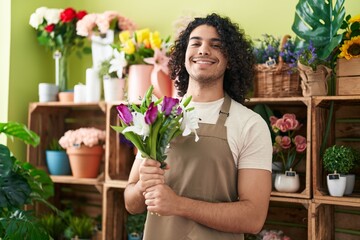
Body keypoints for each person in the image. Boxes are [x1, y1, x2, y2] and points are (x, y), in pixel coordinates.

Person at [124, 13, 272, 240]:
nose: (203, 50)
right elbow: (131, 203)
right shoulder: (158, 116)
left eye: (216, 45)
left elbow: (253, 218)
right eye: (196, 43)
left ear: (230, 58)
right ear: (184, 55)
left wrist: (178, 205)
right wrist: (143, 184)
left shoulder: (249, 124)